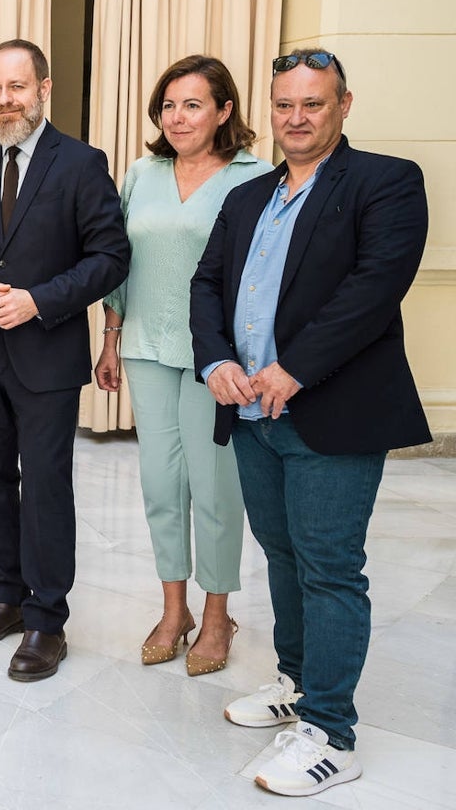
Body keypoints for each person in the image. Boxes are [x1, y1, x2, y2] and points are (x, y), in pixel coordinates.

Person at [189, 48, 429, 796]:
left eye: (313, 104)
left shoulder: (387, 182)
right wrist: (216, 362)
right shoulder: (247, 196)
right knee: (283, 554)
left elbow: (374, 287)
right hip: (250, 411)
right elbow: (207, 284)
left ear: (344, 105)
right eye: (285, 105)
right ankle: (297, 682)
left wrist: (293, 368)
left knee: (329, 567)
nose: (296, 118)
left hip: (332, 411)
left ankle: (331, 733)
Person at [0, 39, 130, 681]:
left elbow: (109, 258)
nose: (6, 100)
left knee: (44, 487)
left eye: (18, 87)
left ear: (44, 88)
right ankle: (8, 598)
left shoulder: (82, 163)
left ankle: (47, 620)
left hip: (45, 356)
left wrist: (39, 302)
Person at [94, 56, 271, 675]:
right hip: (145, 343)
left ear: (225, 111)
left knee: (215, 485)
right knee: (159, 484)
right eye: (168, 105)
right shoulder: (142, 173)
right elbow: (118, 258)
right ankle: (175, 609)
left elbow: (266, 271)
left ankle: (218, 612)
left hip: (218, 357)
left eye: (193, 105)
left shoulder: (256, 177)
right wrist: (111, 336)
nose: (177, 117)